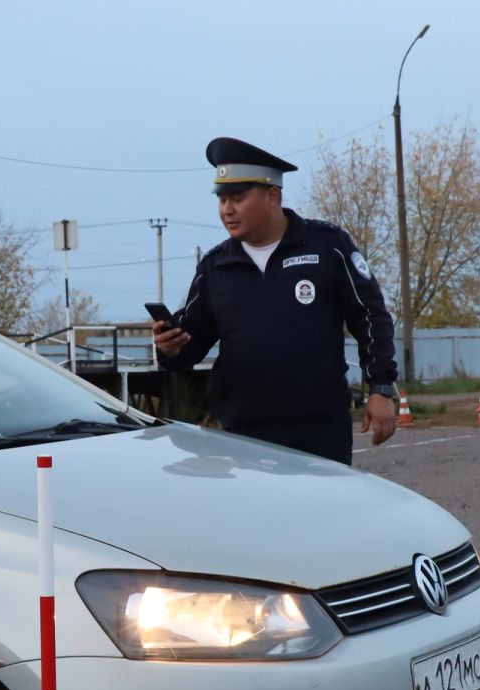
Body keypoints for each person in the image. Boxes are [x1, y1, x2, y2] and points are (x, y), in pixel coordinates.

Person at [152, 137, 399, 464]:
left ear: (273, 196)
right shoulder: (215, 267)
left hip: (319, 431)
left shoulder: (328, 247)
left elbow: (371, 318)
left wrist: (380, 387)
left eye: (238, 198)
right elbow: (188, 347)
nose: (227, 209)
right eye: (222, 199)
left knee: (323, 514)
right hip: (244, 434)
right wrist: (169, 349)